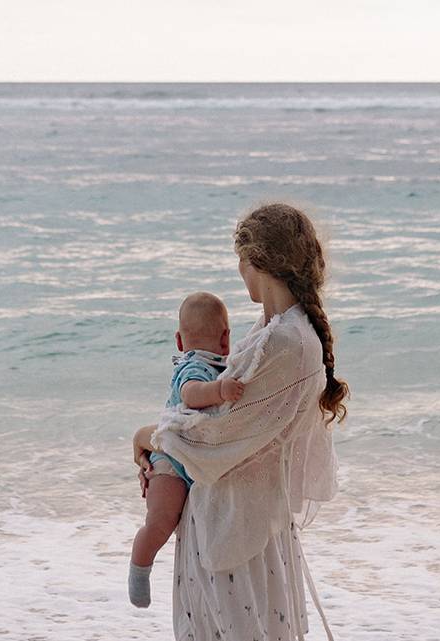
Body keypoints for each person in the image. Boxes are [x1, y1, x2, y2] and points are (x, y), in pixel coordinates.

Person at [132, 203, 347, 641]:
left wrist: (149, 438)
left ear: (258, 262)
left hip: (238, 537)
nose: (238, 271)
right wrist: (164, 450)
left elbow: (215, 437)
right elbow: (217, 424)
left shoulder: (286, 342)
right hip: (230, 523)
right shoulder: (270, 331)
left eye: (240, 260)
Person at [129, 292, 245, 608]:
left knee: (181, 517)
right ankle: (140, 566)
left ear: (179, 339)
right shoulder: (193, 365)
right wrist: (219, 390)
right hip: (168, 459)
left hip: (189, 456)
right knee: (162, 519)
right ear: (226, 338)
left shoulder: (224, 366)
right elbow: (190, 394)